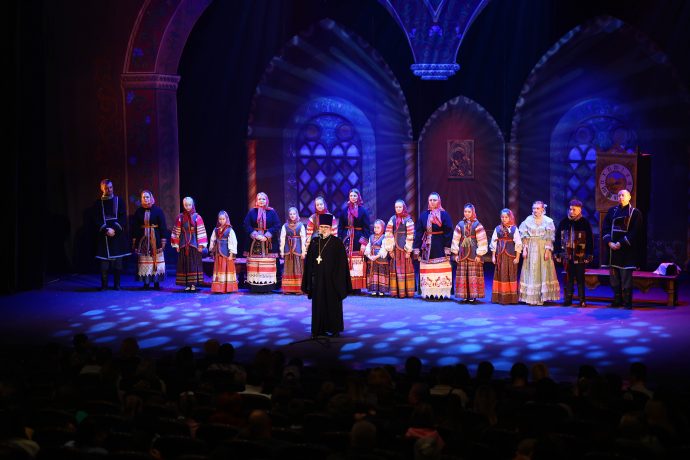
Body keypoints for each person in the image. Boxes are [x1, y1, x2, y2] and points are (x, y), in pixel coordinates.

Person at [301, 214, 351, 338]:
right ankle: (318, 330)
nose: (323, 229)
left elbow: (342, 265)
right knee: (318, 305)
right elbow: (309, 263)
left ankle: (334, 329)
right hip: (318, 280)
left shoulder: (337, 243)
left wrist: (338, 280)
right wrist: (309, 280)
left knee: (332, 304)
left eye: (326, 227)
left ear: (330, 228)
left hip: (332, 281)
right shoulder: (314, 242)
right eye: (321, 227)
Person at [602, 189, 643, 309]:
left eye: (623, 195)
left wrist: (621, 243)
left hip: (626, 251)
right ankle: (617, 300)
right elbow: (605, 228)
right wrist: (609, 242)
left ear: (629, 197)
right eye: (619, 195)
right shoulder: (612, 211)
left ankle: (627, 302)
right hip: (612, 250)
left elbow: (635, 232)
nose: (620, 197)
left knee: (626, 278)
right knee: (614, 278)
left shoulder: (635, 213)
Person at [518, 201, 560, 305]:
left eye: (537, 208)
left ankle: (542, 297)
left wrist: (547, 251)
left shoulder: (548, 221)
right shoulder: (528, 220)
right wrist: (525, 249)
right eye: (534, 208)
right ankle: (531, 297)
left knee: (543, 270)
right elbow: (524, 236)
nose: (535, 210)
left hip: (542, 247)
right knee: (531, 270)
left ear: (542, 209)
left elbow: (549, 238)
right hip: (531, 247)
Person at [413, 193, 454, 300]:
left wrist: (447, 247)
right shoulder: (424, 215)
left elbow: (449, 232)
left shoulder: (444, 215)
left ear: (439, 201)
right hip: (427, 247)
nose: (432, 202)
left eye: (434, 200)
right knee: (428, 269)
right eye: (430, 200)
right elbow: (419, 232)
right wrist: (417, 248)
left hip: (440, 246)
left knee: (440, 268)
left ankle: (441, 293)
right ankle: (428, 293)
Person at [555, 199, 594, 307]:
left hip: (580, 255)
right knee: (569, 278)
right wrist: (558, 253)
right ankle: (568, 299)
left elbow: (590, 240)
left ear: (579, 210)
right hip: (567, 255)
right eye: (570, 209)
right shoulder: (564, 222)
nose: (571, 211)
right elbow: (558, 238)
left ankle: (582, 299)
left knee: (580, 278)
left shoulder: (584, 222)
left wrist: (588, 254)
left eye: (574, 209)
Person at [94, 179, 130, 290]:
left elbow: (123, 217)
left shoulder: (119, 200)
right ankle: (104, 285)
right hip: (104, 236)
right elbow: (96, 219)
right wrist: (106, 230)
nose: (109, 190)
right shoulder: (98, 203)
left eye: (111, 187)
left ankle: (117, 285)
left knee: (118, 262)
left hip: (117, 234)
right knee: (104, 263)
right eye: (106, 188)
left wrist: (114, 229)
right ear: (102, 189)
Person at [243, 192, 281, 293]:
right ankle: (255, 287)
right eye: (259, 199)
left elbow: (277, 225)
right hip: (254, 242)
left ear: (266, 200)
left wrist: (267, 234)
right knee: (256, 264)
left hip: (269, 242)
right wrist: (256, 234)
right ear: (256, 200)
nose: (261, 201)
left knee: (268, 263)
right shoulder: (252, 212)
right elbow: (246, 224)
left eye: (263, 199)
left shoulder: (272, 212)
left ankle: (269, 287)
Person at [451, 203, 488, 302]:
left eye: (469, 212)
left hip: (473, 252)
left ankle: (473, 295)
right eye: (465, 211)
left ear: (473, 212)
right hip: (463, 252)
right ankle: (464, 294)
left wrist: (479, 254)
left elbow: (482, 240)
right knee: (463, 273)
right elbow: (455, 239)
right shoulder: (460, 224)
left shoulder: (477, 225)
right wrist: (455, 253)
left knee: (473, 273)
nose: (467, 213)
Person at [132, 190, 167, 290]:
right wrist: (135, 242)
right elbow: (135, 227)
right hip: (142, 239)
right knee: (145, 260)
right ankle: (146, 283)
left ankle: (156, 283)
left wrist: (163, 240)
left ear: (151, 198)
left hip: (155, 239)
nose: (145, 199)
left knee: (155, 260)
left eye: (147, 197)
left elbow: (163, 226)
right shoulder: (138, 211)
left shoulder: (158, 211)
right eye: (144, 197)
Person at [171, 196, 207, 292]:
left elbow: (201, 231)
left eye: (189, 205)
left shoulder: (197, 217)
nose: (188, 207)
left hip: (194, 245)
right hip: (183, 244)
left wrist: (201, 245)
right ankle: (187, 284)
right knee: (184, 264)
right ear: (183, 205)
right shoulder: (180, 217)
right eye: (186, 205)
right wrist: (176, 244)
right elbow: (176, 231)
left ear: (192, 205)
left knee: (193, 264)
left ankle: (193, 284)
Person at [338, 188, 371, 291]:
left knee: (358, 262)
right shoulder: (344, 210)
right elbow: (340, 227)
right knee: (346, 261)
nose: (353, 197)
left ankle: (357, 287)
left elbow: (367, 228)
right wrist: (340, 240)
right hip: (346, 239)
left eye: (355, 196)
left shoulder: (363, 211)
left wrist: (364, 243)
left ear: (358, 197)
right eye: (351, 195)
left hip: (358, 239)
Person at [489, 209, 522, 304]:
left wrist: (517, 257)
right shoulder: (497, 229)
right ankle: (499, 297)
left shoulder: (514, 229)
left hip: (511, 255)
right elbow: (493, 243)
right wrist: (493, 256)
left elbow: (518, 243)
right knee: (500, 274)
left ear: (510, 218)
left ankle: (511, 298)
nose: (504, 219)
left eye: (506, 217)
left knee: (510, 274)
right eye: (502, 217)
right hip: (500, 255)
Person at [384, 199, 416, 298]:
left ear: (403, 207)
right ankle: (396, 292)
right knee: (395, 269)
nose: (398, 209)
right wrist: (390, 249)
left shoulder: (408, 220)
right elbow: (388, 234)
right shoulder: (392, 219)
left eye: (400, 207)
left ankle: (406, 291)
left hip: (404, 249)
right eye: (396, 207)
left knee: (405, 269)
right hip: (395, 249)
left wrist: (408, 250)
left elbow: (410, 235)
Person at [208, 211, 238, 293]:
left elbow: (233, 242)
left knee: (226, 269)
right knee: (219, 269)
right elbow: (212, 240)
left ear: (226, 219)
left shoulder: (229, 230)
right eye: (220, 219)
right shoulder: (216, 230)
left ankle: (228, 288)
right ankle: (219, 288)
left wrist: (231, 254)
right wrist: (211, 250)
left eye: (223, 219)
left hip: (226, 254)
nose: (221, 221)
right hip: (218, 253)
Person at [279, 207, 306, 294]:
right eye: (290, 214)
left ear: (297, 214)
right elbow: (282, 238)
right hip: (288, 249)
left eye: (294, 214)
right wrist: (282, 251)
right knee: (288, 267)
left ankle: (298, 288)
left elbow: (303, 239)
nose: (292, 215)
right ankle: (288, 289)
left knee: (298, 267)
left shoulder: (300, 225)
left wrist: (303, 251)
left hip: (298, 249)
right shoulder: (285, 226)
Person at [364, 219, 390, 296]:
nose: (376, 229)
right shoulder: (371, 237)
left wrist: (376, 256)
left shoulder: (384, 237)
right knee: (373, 274)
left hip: (380, 259)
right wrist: (369, 256)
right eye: (375, 227)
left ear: (382, 228)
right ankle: (374, 289)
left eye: (378, 228)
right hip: (372, 259)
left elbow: (384, 248)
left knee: (381, 273)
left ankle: (382, 290)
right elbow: (368, 247)